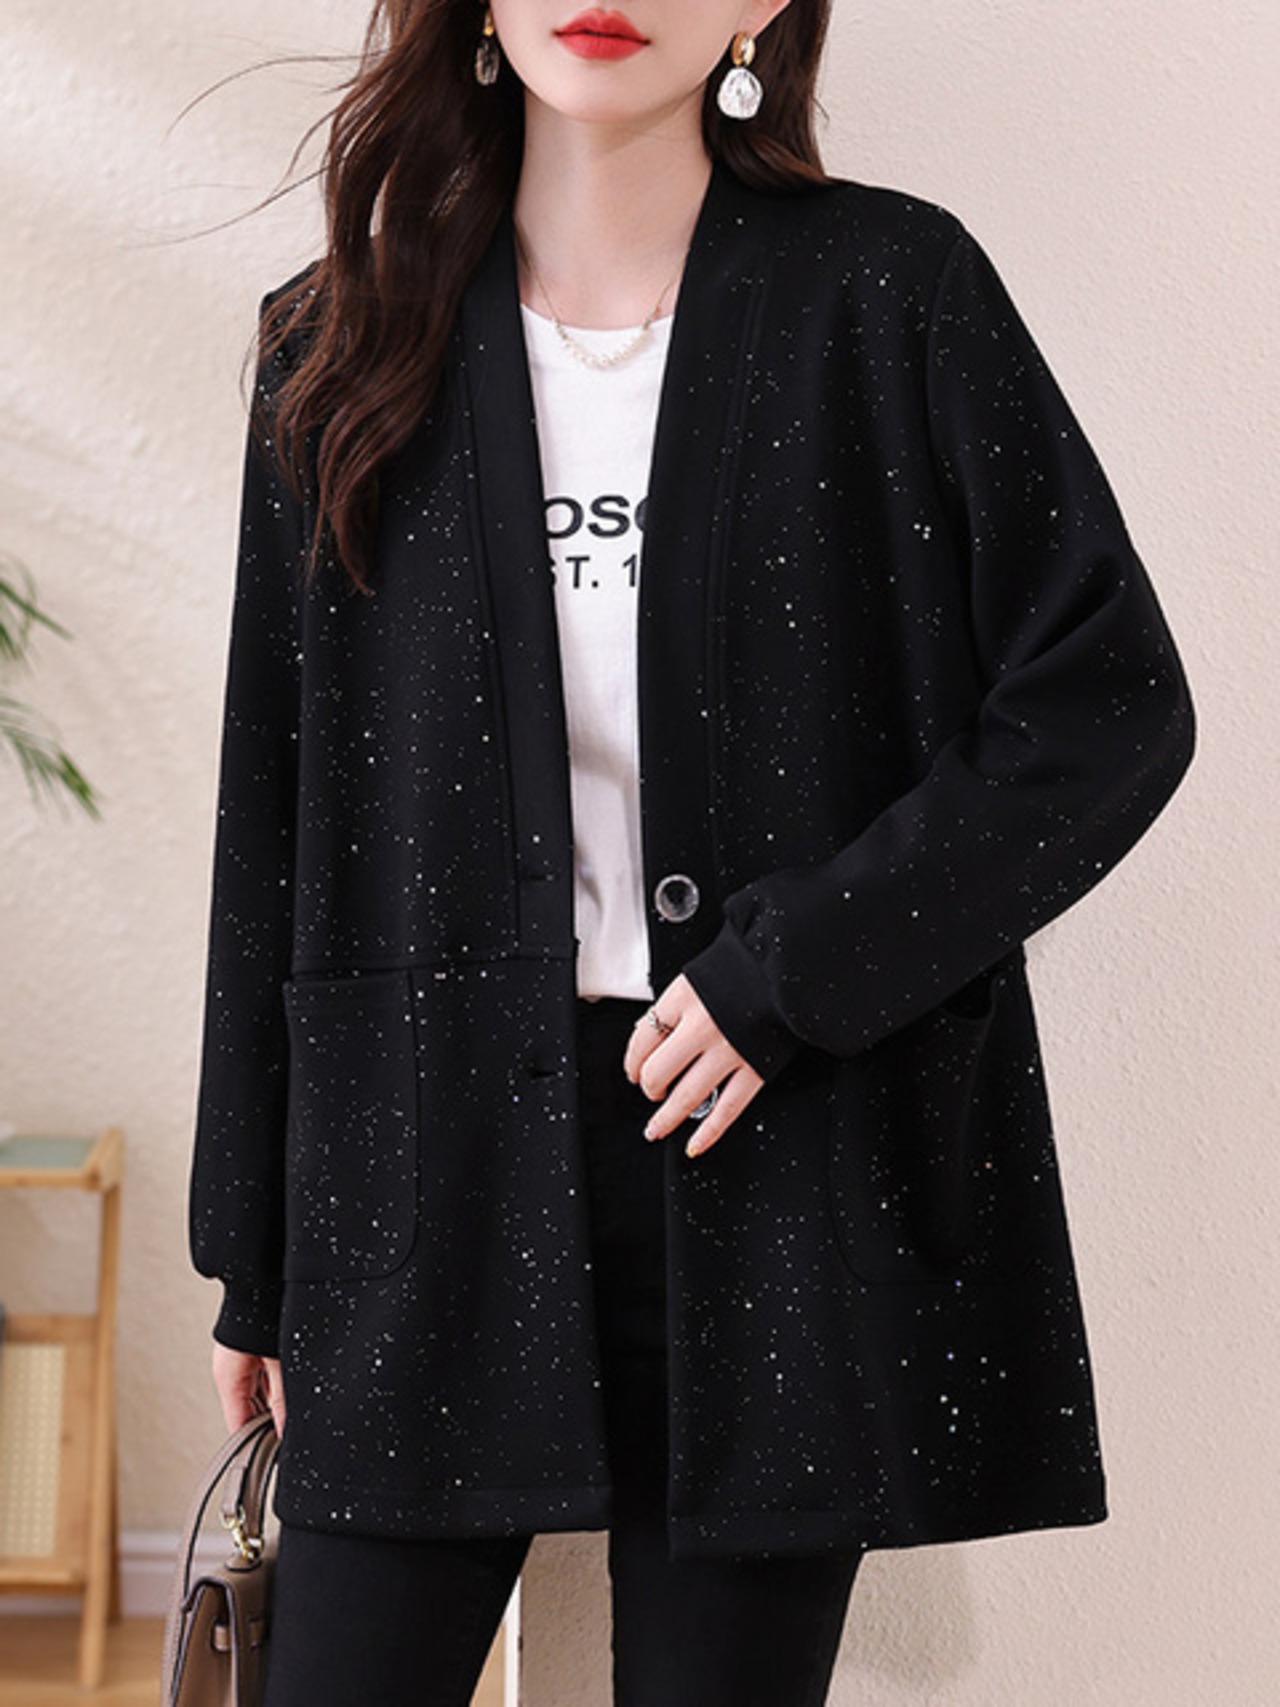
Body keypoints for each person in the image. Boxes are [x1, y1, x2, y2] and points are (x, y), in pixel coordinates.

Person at [186, 2, 1196, 1703]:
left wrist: (790, 972)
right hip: (421, 1180)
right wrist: (257, 1254)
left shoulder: (891, 296)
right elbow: (272, 816)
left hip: (776, 1163)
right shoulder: (341, 339)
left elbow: (1108, 706)